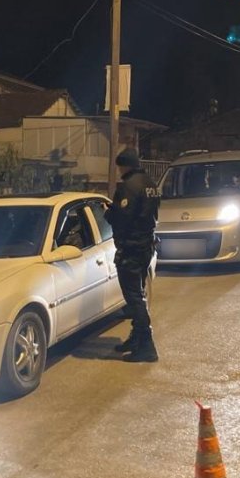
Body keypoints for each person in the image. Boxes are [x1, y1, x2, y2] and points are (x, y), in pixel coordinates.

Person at [105, 148, 161, 362]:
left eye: (120, 167)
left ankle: (146, 346)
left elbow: (121, 218)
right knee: (138, 293)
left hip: (131, 247)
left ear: (125, 165)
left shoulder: (128, 187)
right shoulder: (150, 184)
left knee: (134, 299)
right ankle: (136, 338)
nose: (119, 171)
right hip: (145, 246)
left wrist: (109, 212)